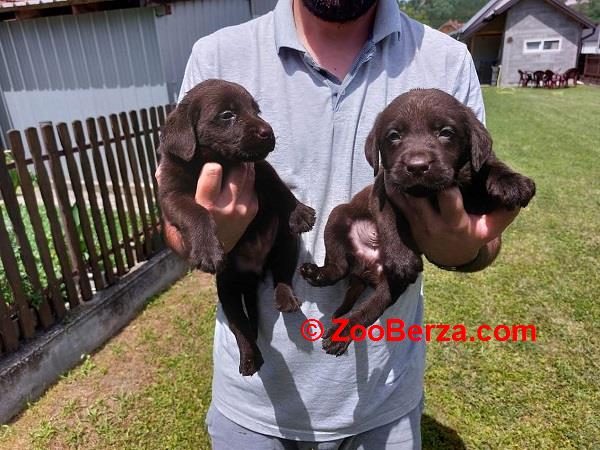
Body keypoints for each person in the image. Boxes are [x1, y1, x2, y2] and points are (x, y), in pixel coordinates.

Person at [157, 0, 520, 448]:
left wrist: (463, 249)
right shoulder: (216, 56)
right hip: (256, 408)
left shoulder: (447, 60)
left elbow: (482, 221)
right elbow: (177, 213)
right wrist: (209, 236)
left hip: (383, 400)